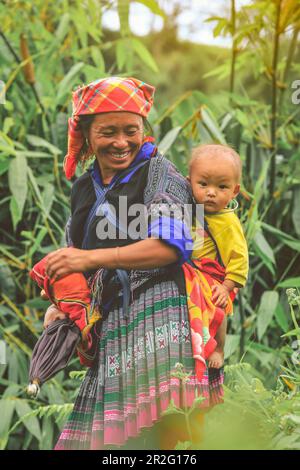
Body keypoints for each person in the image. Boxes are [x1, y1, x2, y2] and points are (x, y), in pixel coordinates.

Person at [43, 77, 225, 450]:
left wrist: (93, 257)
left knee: (164, 441)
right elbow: (80, 265)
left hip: (164, 319)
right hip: (114, 328)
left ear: (144, 129)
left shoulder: (161, 174)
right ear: (87, 136)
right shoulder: (82, 189)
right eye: (108, 132)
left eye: (132, 130)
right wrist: (61, 308)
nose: (121, 142)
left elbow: (173, 246)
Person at [183, 144, 248, 378]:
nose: (211, 192)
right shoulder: (186, 209)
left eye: (222, 187)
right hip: (191, 272)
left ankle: (218, 349)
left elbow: (240, 259)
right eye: (203, 184)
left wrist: (226, 286)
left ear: (234, 191)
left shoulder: (228, 222)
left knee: (218, 309)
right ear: (188, 182)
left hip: (215, 277)